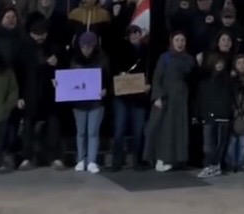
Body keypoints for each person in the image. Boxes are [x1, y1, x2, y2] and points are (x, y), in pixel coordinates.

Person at [17, 21, 66, 171]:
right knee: (28, 128)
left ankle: (55, 158)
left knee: (53, 127)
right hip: (30, 94)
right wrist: (19, 97)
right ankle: (26, 157)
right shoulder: (24, 49)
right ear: (31, 34)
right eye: (36, 35)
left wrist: (57, 63)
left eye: (42, 35)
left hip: (50, 95)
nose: (39, 38)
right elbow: (20, 74)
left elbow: (64, 69)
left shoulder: (54, 47)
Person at [145, 31, 196, 172]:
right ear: (172, 42)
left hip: (180, 101)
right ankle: (161, 159)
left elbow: (191, 76)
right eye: (177, 40)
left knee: (178, 131)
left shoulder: (189, 59)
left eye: (182, 40)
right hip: (165, 99)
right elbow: (157, 78)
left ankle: (176, 160)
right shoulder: (165, 58)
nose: (180, 43)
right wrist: (157, 97)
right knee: (163, 130)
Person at [109, 25, 151, 171]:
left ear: (141, 34)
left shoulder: (147, 51)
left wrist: (148, 85)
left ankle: (137, 161)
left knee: (138, 131)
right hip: (122, 96)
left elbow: (150, 71)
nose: (134, 36)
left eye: (137, 33)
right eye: (131, 33)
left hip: (139, 97)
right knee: (119, 130)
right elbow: (112, 67)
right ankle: (116, 161)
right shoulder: (119, 48)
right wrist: (120, 74)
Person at [68, 31, 108, 173]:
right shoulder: (74, 60)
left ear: (94, 46)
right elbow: (69, 80)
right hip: (79, 102)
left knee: (92, 132)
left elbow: (108, 79)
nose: (86, 49)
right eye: (84, 46)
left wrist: (105, 90)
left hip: (96, 102)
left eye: (89, 46)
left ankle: (91, 160)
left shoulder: (102, 60)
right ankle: (80, 159)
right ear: (79, 46)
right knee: (81, 132)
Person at [195, 52, 234, 178]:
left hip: (222, 115)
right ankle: (209, 166)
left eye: (221, 62)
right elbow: (201, 98)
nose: (219, 65)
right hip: (209, 115)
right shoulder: (205, 80)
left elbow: (229, 97)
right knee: (208, 144)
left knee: (219, 143)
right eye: (217, 62)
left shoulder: (227, 79)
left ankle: (214, 166)